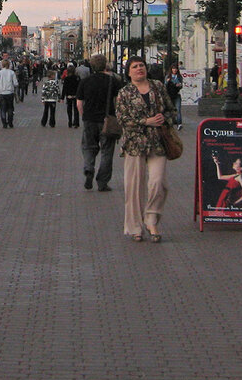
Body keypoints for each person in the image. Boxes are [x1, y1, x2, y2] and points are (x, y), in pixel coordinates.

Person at [115, 56, 176, 242]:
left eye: (141, 65)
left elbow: (171, 110)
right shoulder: (124, 93)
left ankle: (151, 218)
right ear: (128, 72)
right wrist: (145, 121)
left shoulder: (157, 86)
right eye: (135, 67)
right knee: (134, 187)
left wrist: (164, 119)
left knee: (159, 183)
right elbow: (122, 119)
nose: (139, 69)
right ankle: (135, 227)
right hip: (135, 143)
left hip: (158, 141)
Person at [75, 54, 121, 193]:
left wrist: (84, 116)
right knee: (107, 151)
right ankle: (102, 183)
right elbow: (118, 101)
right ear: (105, 65)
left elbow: (79, 103)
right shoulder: (113, 81)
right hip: (107, 120)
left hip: (89, 120)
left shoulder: (85, 81)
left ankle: (89, 168)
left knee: (88, 147)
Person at [0, 59, 19, 129]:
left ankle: (4, 123)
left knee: (2, 108)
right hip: (10, 92)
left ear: (2, 65)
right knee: (10, 108)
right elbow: (15, 83)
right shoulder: (11, 72)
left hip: (1, 92)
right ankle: (10, 122)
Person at [165, 63, 184, 131]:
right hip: (169, 95)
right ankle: (170, 122)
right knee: (170, 109)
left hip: (176, 94)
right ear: (171, 69)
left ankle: (179, 123)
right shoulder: (168, 76)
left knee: (178, 109)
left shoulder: (179, 77)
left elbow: (181, 85)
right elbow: (165, 85)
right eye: (173, 69)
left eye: (176, 69)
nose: (174, 70)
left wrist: (179, 85)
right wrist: (167, 82)